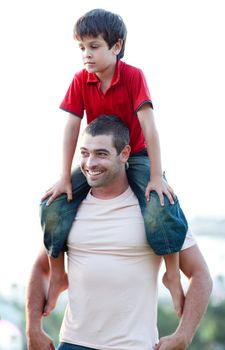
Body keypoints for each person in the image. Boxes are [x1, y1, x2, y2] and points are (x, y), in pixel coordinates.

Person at [41, 8, 188, 318]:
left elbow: (150, 127)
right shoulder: (81, 80)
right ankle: (58, 274)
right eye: (81, 48)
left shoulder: (133, 76)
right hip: (100, 158)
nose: (86, 54)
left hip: (136, 156)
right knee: (51, 205)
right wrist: (64, 177)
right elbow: (71, 128)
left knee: (160, 207)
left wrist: (157, 176)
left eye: (94, 46)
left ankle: (172, 273)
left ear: (116, 46)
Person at [26, 116, 212, 350]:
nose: (90, 163)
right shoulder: (69, 207)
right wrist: (33, 328)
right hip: (73, 343)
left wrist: (183, 335)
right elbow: (42, 268)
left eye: (101, 154)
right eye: (84, 153)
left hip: (134, 345)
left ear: (125, 154)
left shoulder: (156, 210)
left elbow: (200, 274)